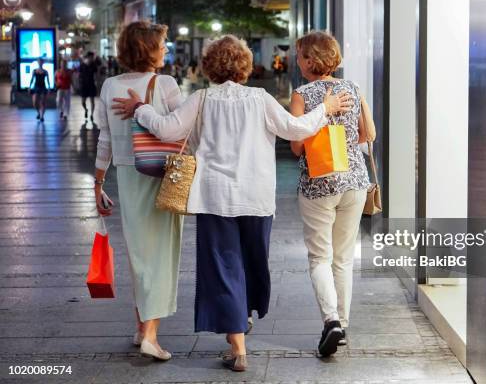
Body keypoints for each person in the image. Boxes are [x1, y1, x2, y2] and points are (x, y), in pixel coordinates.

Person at [112, 34, 354, 372]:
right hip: (256, 198)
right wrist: (325, 111)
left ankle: (238, 344)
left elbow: (167, 130)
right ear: (244, 66)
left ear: (210, 65)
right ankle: (241, 324)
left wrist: (141, 109)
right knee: (252, 264)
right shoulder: (260, 98)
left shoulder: (202, 99)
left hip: (214, 198)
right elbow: (295, 129)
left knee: (224, 269)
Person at [93, 21, 185, 361]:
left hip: (128, 176)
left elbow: (104, 138)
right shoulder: (166, 84)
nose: (165, 50)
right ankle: (150, 336)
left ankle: (139, 327)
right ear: (148, 48)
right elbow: (182, 126)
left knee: (139, 254)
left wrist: (98, 181)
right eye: (161, 44)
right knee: (160, 254)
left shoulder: (109, 85)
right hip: (161, 174)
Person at [290, 31, 376, 357]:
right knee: (343, 259)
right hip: (354, 182)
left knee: (319, 258)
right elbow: (370, 134)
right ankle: (344, 324)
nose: (297, 61)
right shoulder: (352, 89)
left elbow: (297, 145)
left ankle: (331, 321)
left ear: (311, 60)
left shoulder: (302, 94)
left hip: (318, 185)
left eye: (300, 56)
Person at [79, 51, 98, 123]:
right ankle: (86, 109)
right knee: (83, 102)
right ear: (88, 57)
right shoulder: (82, 65)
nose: (93, 58)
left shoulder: (94, 65)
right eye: (92, 57)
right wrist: (79, 83)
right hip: (84, 85)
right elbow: (79, 74)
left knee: (92, 101)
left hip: (91, 84)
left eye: (93, 57)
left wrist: (97, 83)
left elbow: (96, 74)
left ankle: (92, 115)